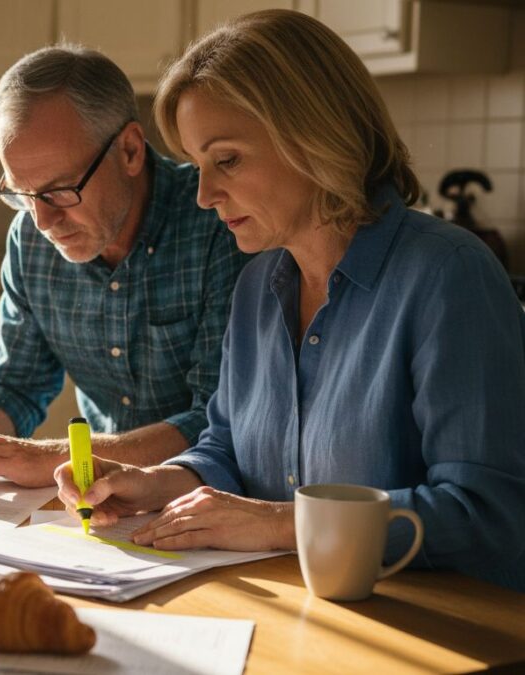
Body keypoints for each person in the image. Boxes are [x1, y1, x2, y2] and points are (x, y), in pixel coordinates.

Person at [56, 9, 525, 591]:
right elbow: (227, 449)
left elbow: (487, 515)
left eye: (226, 159)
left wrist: (280, 523)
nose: (204, 194)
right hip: (297, 611)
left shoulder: (447, 275)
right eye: (198, 166)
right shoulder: (257, 285)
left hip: (430, 629)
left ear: (315, 135)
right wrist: (156, 481)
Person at [0, 45, 249, 488]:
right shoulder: (29, 239)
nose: (43, 221)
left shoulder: (221, 224)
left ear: (129, 150)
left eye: (59, 191)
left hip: (214, 498)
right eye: (21, 194)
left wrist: (50, 456)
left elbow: (218, 419)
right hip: (104, 498)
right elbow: (15, 384)